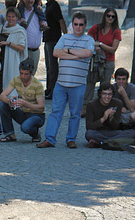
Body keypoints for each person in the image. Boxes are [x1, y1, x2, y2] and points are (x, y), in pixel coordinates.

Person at [37, 12, 94, 149]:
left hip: (78, 85)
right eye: (76, 24)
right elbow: (56, 53)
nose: (78, 27)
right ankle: (50, 139)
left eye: (81, 25)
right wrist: (76, 55)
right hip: (61, 84)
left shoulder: (89, 40)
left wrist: (67, 51)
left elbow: (88, 53)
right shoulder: (65, 37)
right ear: (72, 25)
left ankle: (71, 139)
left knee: (75, 114)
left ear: (85, 26)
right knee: (56, 112)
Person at [81, 8, 121, 117]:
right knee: (90, 83)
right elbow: (88, 41)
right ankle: (85, 107)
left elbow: (113, 49)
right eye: (108, 15)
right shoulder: (96, 28)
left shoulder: (116, 31)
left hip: (108, 62)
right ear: (104, 16)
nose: (110, 18)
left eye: (113, 16)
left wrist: (100, 44)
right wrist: (95, 46)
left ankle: (102, 110)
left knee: (105, 86)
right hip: (95, 61)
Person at [0, 58, 45, 142]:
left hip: (36, 115)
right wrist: (10, 101)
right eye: (21, 73)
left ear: (31, 73)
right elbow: (2, 95)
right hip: (23, 112)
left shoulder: (37, 85)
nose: (23, 76)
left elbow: (41, 107)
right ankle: (10, 134)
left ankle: (36, 133)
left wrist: (26, 104)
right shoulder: (16, 80)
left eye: (26, 74)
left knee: (25, 128)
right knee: (3, 105)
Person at [85, 83, 135, 147]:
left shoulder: (118, 103)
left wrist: (111, 118)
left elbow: (116, 127)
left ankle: (102, 142)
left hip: (113, 133)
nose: (107, 97)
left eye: (109, 94)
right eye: (104, 94)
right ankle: (112, 142)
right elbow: (89, 127)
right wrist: (103, 118)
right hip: (98, 132)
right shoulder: (91, 105)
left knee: (132, 133)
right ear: (100, 94)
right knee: (89, 134)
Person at [0, 7, 27, 91]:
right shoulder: (1, 28)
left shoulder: (20, 31)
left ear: (17, 18)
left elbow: (22, 48)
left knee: (10, 86)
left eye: (13, 16)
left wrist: (9, 43)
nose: (11, 19)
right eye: (9, 16)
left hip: (12, 62)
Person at [43, 0, 67, 99]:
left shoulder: (54, 5)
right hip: (48, 38)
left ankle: (53, 91)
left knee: (53, 67)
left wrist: (66, 37)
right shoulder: (48, 5)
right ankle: (49, 89)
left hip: (53, 38)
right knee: (49, 66)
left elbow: (61, 21)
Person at [17, 0, 45, 75]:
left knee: (31, 78)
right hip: (25, 51)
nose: (30, 1)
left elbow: (44, 24)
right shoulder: (19, 13)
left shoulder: (38, 11)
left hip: (36, 52)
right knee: (23, 78)